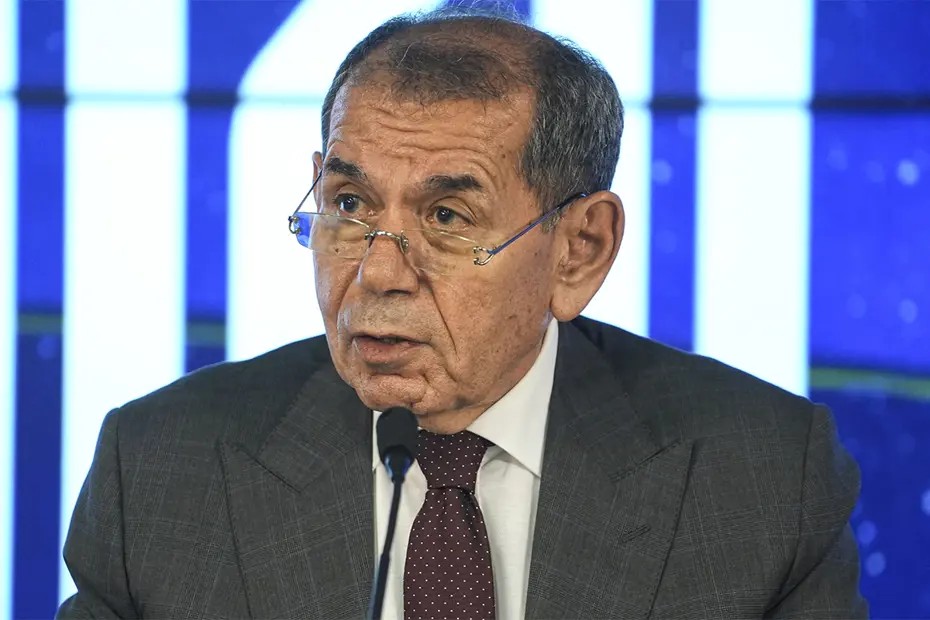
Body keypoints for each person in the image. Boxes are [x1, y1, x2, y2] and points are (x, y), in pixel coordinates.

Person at [57, 8, 867, 620]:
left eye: (446, 217)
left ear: (579, 250)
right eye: (349, 204)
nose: (377, 272)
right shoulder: (162, 473)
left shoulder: (760, 481)